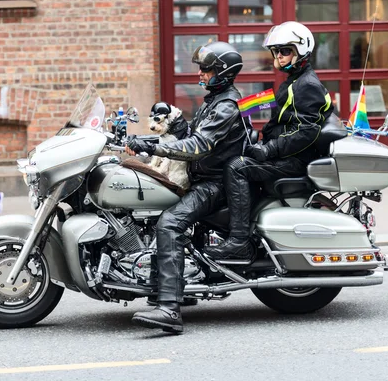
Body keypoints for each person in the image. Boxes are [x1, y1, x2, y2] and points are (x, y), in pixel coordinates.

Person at [125, 41, 249, 333]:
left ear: (223, 72)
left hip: (214, 183)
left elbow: (199, 145)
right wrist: (162, 132)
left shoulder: (227, 106)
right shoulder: (214, 101)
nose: (201, 74)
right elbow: (191, 136)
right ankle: (171, 282)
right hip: (202, 177)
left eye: (206, 69)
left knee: (169, 224)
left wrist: (151, 148)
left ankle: (169, 308)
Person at [209, 21, 335, 261]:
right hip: (287, 155)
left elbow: (306, 132)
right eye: (276, 51)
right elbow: (284, 123)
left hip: (295, 160)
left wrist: (268, 150)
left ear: (301, 50)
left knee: (236, 168)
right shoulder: (295, 81)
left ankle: (238, 241)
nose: (279, 56)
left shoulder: (307, 85)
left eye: (286, 51)